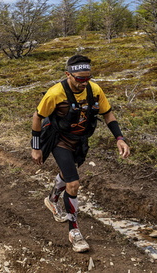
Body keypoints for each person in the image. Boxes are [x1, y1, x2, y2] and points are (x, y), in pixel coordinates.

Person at [30, 54, 130, 253]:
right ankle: (74, 231)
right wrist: (35, 147)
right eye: (80, 79)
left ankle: (52, 199)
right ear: (68, 74)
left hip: (80, 140)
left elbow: (108, 113)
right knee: (73, 183)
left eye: (88, 78)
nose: (84, 82)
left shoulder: (94, 89)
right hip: (59, 140)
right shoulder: (55, 93)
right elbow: (38, 116)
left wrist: (119, 138)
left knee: (68, 175)